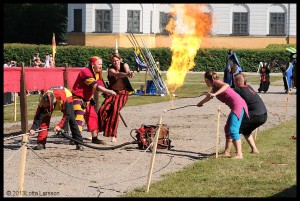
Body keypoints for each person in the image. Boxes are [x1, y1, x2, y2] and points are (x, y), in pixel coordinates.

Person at [197, 70, 248, 159]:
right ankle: (226, 152)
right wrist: (200, 103)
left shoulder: (216, 82)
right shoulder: (214, 87)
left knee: (233, 129)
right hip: (235, 106)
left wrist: (215, 94)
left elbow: (227, 85)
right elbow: (209, 97)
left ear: (206, 80)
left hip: (238, 105)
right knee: (227, 128)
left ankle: (239, 154)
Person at [72, 56, 116, 144]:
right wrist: (108, 91)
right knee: (79, 118)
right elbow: (94, 85)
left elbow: (100, 84)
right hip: (78, 98)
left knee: (93, 117)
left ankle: (94, 138)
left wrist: (105, 92)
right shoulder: (85, 72)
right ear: (93, 64)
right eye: (99, 64)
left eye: (101, 64)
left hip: (87, 100)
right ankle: (76, 138)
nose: (101, 66)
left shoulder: (97, 73)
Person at [29, 86, 84, 151]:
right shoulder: (43, 102)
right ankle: (41, 143)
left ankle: (79, 143)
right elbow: (38, 117)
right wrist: (33, 128)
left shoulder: (63, 98)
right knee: (44, 121)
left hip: (67, 96)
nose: (45, 106)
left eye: (46, 105)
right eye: (44, 105)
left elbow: (67, 115)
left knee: (72, 120)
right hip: (53, 101)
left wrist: (59, 126)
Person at [98, 53, 135, 142]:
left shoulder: (124, 65)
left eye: (117, 60)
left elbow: (127, 70)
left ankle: (112, 135)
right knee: (102, 110)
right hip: (112, 92)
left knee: (115, 110)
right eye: (114, 61)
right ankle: (97, 131)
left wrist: (129, 72)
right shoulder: (110, 69)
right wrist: (126, 74)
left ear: (120, 60)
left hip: (123, 93)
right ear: (111, 62)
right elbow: (118, 75)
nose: (116, 62)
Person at [232, 73, 268, 154]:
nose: (233, 83)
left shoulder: (239, 89)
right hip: (264, 115)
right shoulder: (249, 87)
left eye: (234, 81)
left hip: (256, 115)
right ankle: (254, 150)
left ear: (238, 82)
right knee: (246, 131)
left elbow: (227, 91)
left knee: (234, 130)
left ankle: (237, 153)